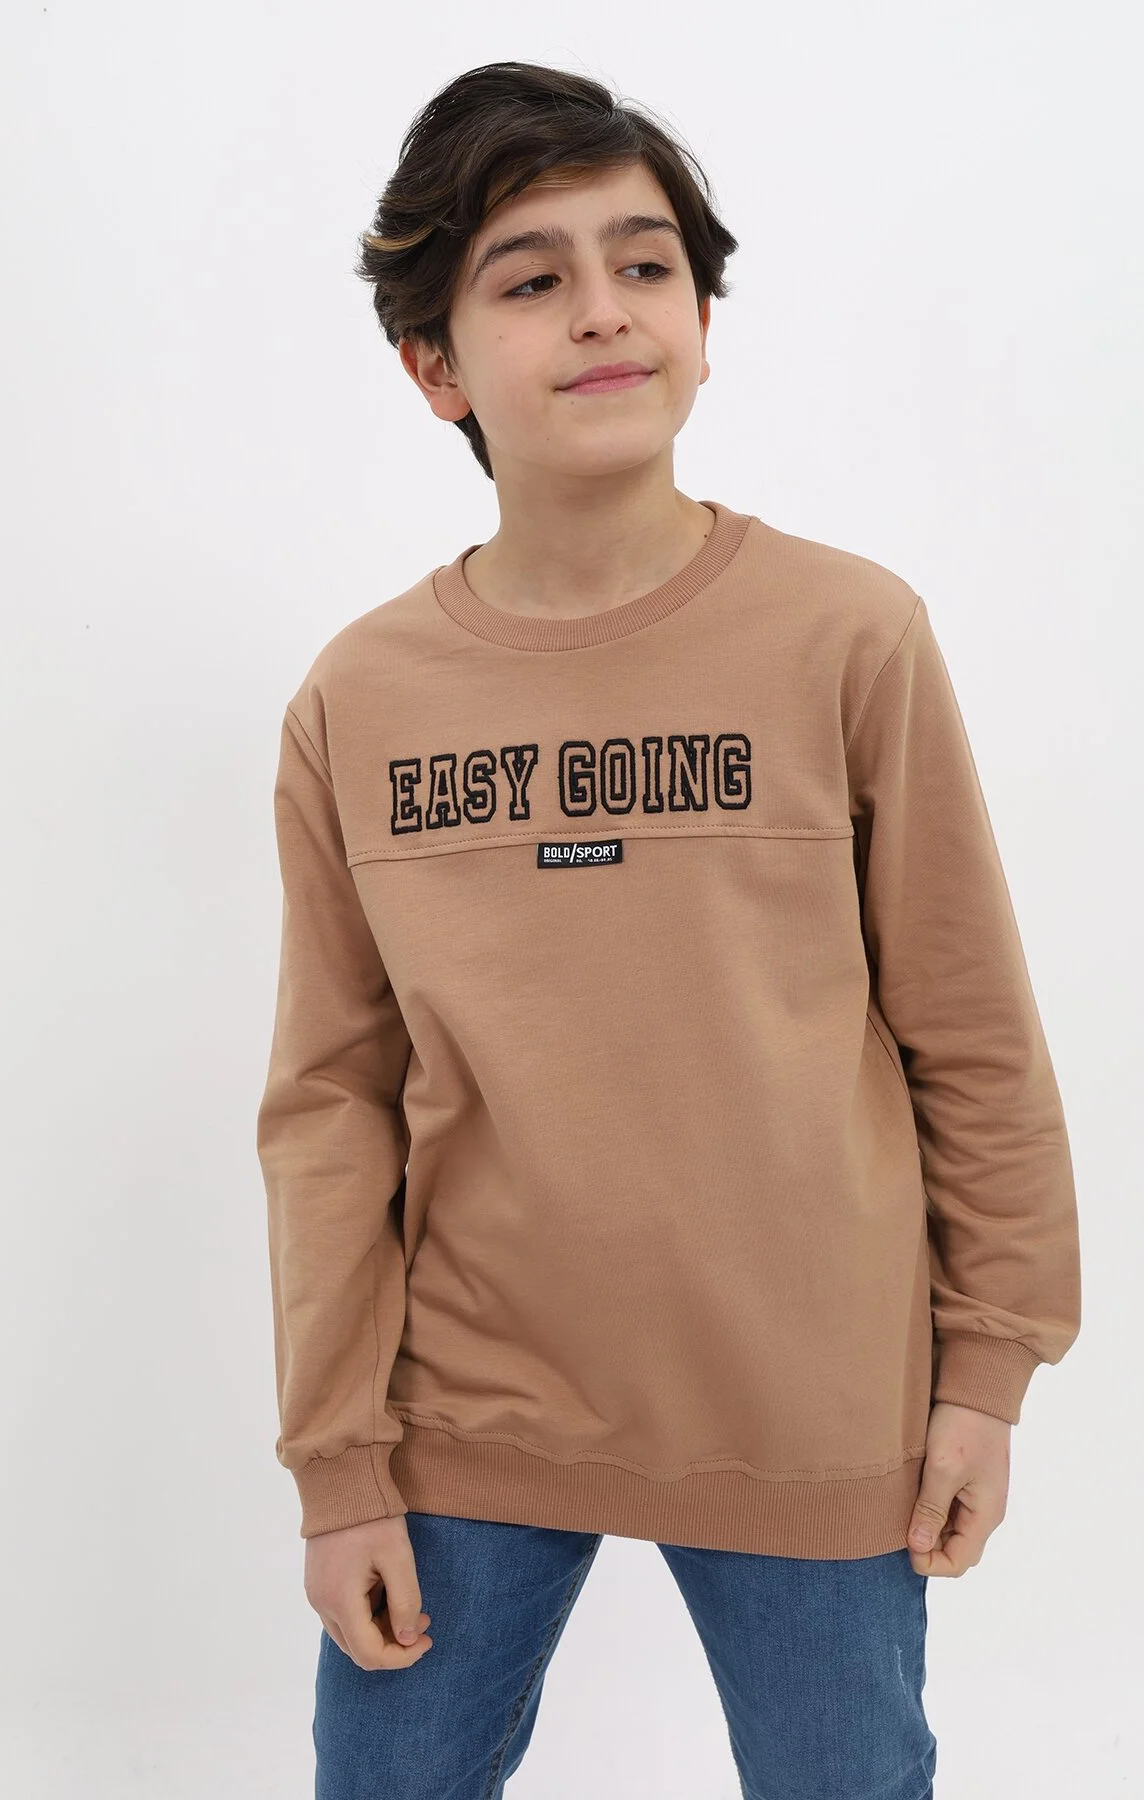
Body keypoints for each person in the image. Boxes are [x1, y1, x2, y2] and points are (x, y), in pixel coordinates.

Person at [255, 59, 1081, 1800]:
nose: (603, 311)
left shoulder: (849, 636)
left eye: (645, 264)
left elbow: (971, 1030)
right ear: (432, 366)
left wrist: (988, 1372)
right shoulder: (360, 698)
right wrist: (337, 1465)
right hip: (471, 1408)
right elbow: (330, 1102)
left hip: (812, 1399)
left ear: (704, 321)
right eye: (530, 277)